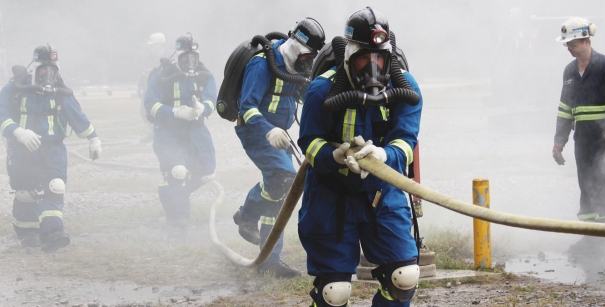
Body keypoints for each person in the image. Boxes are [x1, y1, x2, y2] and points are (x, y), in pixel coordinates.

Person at [298, 7, 423, 306]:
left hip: (381, 194)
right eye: (364, 58)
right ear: (349, 56)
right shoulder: (322, 90)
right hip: (331, 196)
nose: (373, 66)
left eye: (379, 58)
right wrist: (334, 155)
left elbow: (406, 141)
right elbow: (309, 143)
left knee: (404, 277)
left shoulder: (406, 88)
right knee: (335, 292)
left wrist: (384, 154)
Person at [232, 18, 325, 278]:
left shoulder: (297, 69)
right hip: (255, 132)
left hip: (279, 136)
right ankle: (247, 214)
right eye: (307, 56)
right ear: (296, 46)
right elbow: (247, 107)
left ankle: (269, 261)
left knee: (281, 192)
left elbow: (309, 98)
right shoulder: (262, 64)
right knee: (284, 178)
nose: (308, 62)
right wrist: (268, 130)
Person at [0, 44, 102, 253]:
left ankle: (52, 234)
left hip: (53, 150)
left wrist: (93, 138)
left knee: (55, 187)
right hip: (22, 150)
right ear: (34, 69)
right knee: (25, 194)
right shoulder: (16, 88)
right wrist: (18, 132)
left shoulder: (61, 92)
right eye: (43, 70)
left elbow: (77, 116)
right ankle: (28, 234)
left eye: (52, 70)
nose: (48, 75)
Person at [552, 17, 605, 253]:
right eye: (566, 44)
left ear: (586, 40)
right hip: (582, 141)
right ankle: (591, 237)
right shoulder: (569, 72)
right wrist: (559, 140)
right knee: (587, 187)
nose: (568, 48)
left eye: (572, 43)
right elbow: (565, 108)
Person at [144, 33, 217, 235]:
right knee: (177, 171)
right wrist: (175, 112)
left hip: (196, 132)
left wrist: (203, 108)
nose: (190, 62)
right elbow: (150, 104)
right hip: (169, 132)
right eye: (186, 58)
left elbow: (212, 99)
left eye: (193, 57)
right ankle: (178, 220)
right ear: (178, 56)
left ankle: (174, 194)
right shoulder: (163, 75)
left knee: (207, 173)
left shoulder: (205, 74)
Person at [138, 32, 166, 143]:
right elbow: (144, 73)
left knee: (159, 112)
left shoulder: (168, 57)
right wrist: (139, 86)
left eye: (153, 45)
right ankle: (154, 131)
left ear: (160, 44)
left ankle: (160, 132)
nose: (152, 47)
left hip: (161, 91)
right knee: (143, 112)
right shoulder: (149, 58)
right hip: (148, 89)